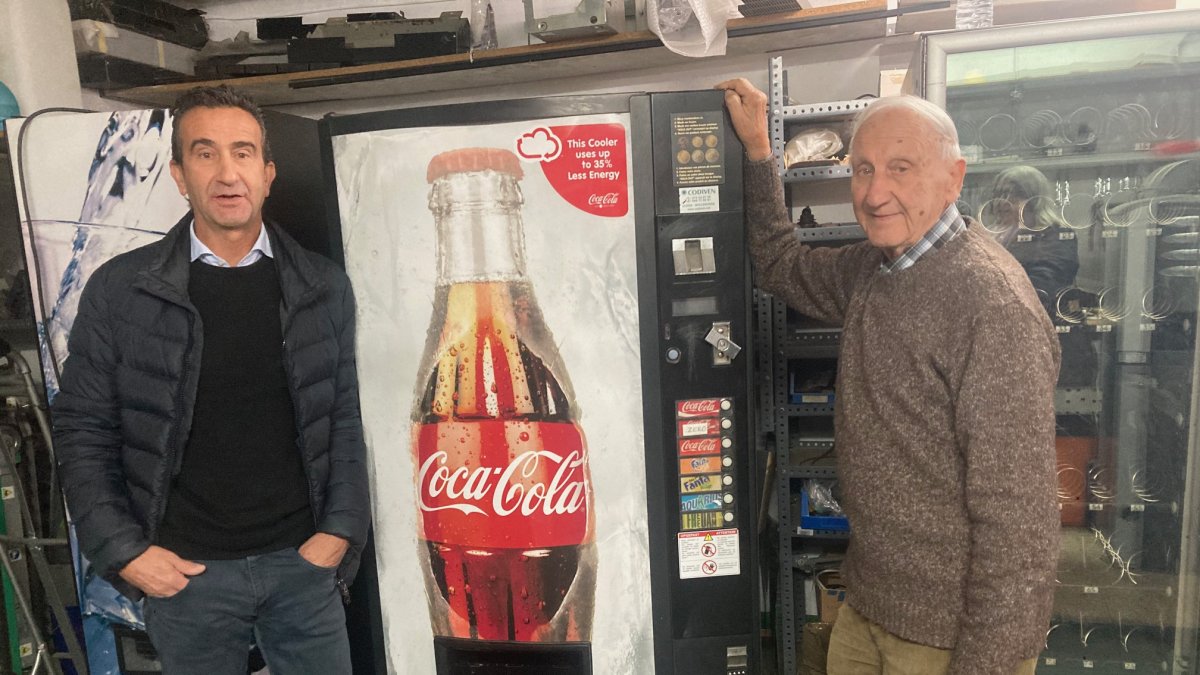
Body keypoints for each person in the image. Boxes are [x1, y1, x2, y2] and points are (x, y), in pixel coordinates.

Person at [718, 79, 1060, 674]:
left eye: (901, 169)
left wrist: (985, 665)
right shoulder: (876, 266)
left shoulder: (992, 306)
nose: (876, 193)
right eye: (862, 170)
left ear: (954, 178)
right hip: (868, 606)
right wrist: (757, 154)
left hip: (947, 638)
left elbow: (1019, 521)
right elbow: (782, 265)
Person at [52, 85, 370, 674]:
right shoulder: (122, 290)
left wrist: (339, 535)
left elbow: (345, 417)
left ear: (268, 172)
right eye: (205, 153)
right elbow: (81, 429)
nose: (228, 173)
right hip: (186, 576)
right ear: (178, 173)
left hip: (302, 567)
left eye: (243, 152)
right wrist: (124, 553)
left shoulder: (323, 286)